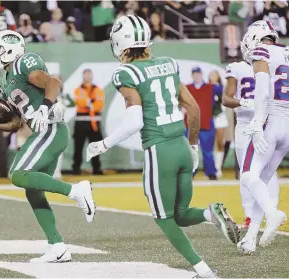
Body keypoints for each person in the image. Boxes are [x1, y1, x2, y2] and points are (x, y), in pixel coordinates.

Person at [86, 15, 240, 278]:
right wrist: (192, 147)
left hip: (159, 151)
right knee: (180, 214)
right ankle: (210, 213)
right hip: (180, 145)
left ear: (120, 43)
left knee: (163, 218)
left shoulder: (126, 72)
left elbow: (135, 121)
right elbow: (192, 108)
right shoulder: (168, 64)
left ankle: (203, 271)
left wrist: (103, 144)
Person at [0, 30, 96, 263]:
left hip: (51, 128)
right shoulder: (4, 79)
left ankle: (76, 191)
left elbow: (54, 82)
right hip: (42, 131)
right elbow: (17, 122)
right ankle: (57, 246)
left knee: (18, 174)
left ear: (11, 49)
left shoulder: (24, 63)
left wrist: (45, 106)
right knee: (33, 191)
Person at [239, 20, 289, 250]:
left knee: (247, 176)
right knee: (261, 181)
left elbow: (262, 90)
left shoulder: (262, 50)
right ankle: (251, 237)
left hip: (270, 119)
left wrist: (258, 120)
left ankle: (272, 213)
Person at [222, 60, 281, 245]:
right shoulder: (238, 67)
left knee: (269, 171)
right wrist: (244, 102)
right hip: (246, 124)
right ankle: (250, 215)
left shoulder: (273, 62)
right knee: (246, 172)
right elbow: (226, 98)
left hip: (267, 123)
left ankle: (272, 212)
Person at [185, 67, 217, 180]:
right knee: (190, 151)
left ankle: (211, 172)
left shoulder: (211, 87)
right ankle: (191, 172)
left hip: (205, 123)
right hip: (190, 124)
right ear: (192, 75)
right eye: (194, 73)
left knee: (208, 150)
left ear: (201, 74)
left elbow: (225, 92)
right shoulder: (187, 88)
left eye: (198, 73)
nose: (196, 75)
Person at [73, 69, 104, 175]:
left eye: (89, 74)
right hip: (81, 123)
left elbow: (99, 105)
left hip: (94, 124)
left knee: (95, 147)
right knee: (78, 147)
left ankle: (97, 169)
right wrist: (91, 103)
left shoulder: (98, 90)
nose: (87, 76)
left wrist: (88, 104)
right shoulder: (78, 90)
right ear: (83, 76)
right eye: (85, 74)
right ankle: (76, 168)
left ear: (92, 75)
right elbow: (79, 102)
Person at [209, 70, 228, 178]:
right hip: (209, 119)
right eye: (211, 75)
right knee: (210, 145)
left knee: (220, 144)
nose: (212, 77)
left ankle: (218, 168)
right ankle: (212, 169)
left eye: (214, 75)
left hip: (220, 118)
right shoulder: (206, 88)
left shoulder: (221, 88)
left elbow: (224, 102)